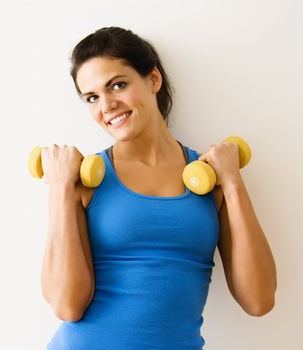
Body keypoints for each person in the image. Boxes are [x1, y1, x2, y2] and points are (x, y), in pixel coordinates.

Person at [40, 27, 277, 350]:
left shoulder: (210, 179)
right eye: (92, 97)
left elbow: (259, 301)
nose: (107, 105)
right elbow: (67, 306)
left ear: (153, 79)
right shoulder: (84, 182)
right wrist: (60, 188)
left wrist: (233, 182)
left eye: (118, 85)